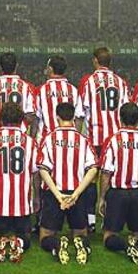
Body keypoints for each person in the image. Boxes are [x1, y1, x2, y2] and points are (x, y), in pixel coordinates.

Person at [37, 102, 98, 265]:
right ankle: (82, 246)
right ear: (73, 117)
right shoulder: (83, 139)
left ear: (57, 117)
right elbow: (93, 169)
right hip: (76, 193)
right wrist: (76, 194)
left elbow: (43, 169)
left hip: (54, 193)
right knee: (80, 232)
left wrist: (58, 196)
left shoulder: (49, 138)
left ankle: (56, 245)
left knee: (45, 235)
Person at [99, 102, 138, 264]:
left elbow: (106, 173)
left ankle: (126, 248)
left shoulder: (113, 140)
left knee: (109, 235)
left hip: (118, 193)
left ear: (120, 119)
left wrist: (102, 198)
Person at [79, 47, 130, 233]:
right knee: (112, 178)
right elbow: (126, 109)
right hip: (115, 139)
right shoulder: (121, 82)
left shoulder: (88, 81)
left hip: (95, 137)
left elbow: (82, 109)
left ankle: (90, 218)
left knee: (91, 178)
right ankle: (111, 216)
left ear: (95, 61)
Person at [0, 102, 39, 263]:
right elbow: (36, 175)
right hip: (22, 203)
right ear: (21, 119)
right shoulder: (30, 142)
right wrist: (36, 198)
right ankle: (18, 243)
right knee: (26, 236)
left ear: (1, 119)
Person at [0, 52, 36, 135]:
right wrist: (22, 127)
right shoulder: (25, 87)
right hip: (20, 134)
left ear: (0, 67)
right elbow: (30, 116)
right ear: (16, 66)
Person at [35, 55, 85, 139]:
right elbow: (79, 118)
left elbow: (36, 118)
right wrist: (76, 137)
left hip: (46, 140)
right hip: (69, 139)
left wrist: (33, 137)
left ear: (50, 69)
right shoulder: (73, 90)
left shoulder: (41, 90)